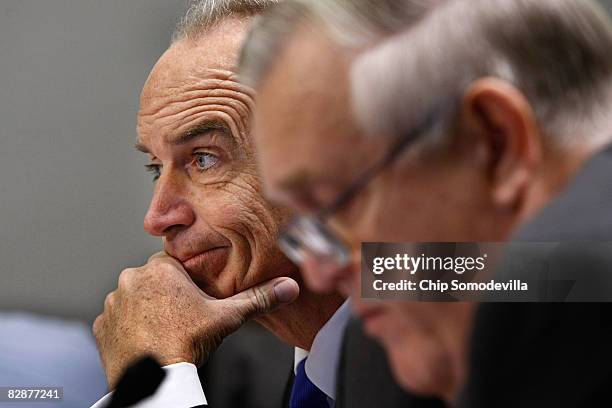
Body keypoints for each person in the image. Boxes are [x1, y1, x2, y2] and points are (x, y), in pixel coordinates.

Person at [238, 0, 612, 405]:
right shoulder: (374, 357)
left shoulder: (563, 302)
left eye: (338, 206)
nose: (319, 274)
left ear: (495, 144)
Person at [90, 1, 347, 407]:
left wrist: (155, 381)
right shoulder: (243, 372)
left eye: (204, 159)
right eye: (157, 168)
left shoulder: (466, 320)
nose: (157, 218)